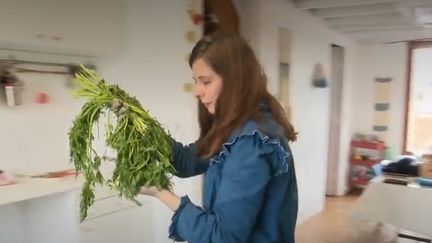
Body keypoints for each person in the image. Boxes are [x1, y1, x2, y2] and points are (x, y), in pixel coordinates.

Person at [140, 33, 298, 243]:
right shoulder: (233, 128)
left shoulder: (251, 143)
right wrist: (140, 124)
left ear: (236, 80)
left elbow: (223, 238)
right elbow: (187, 161)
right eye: (195, 81)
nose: (197, 91)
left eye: (206, 82)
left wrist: (162, 193)